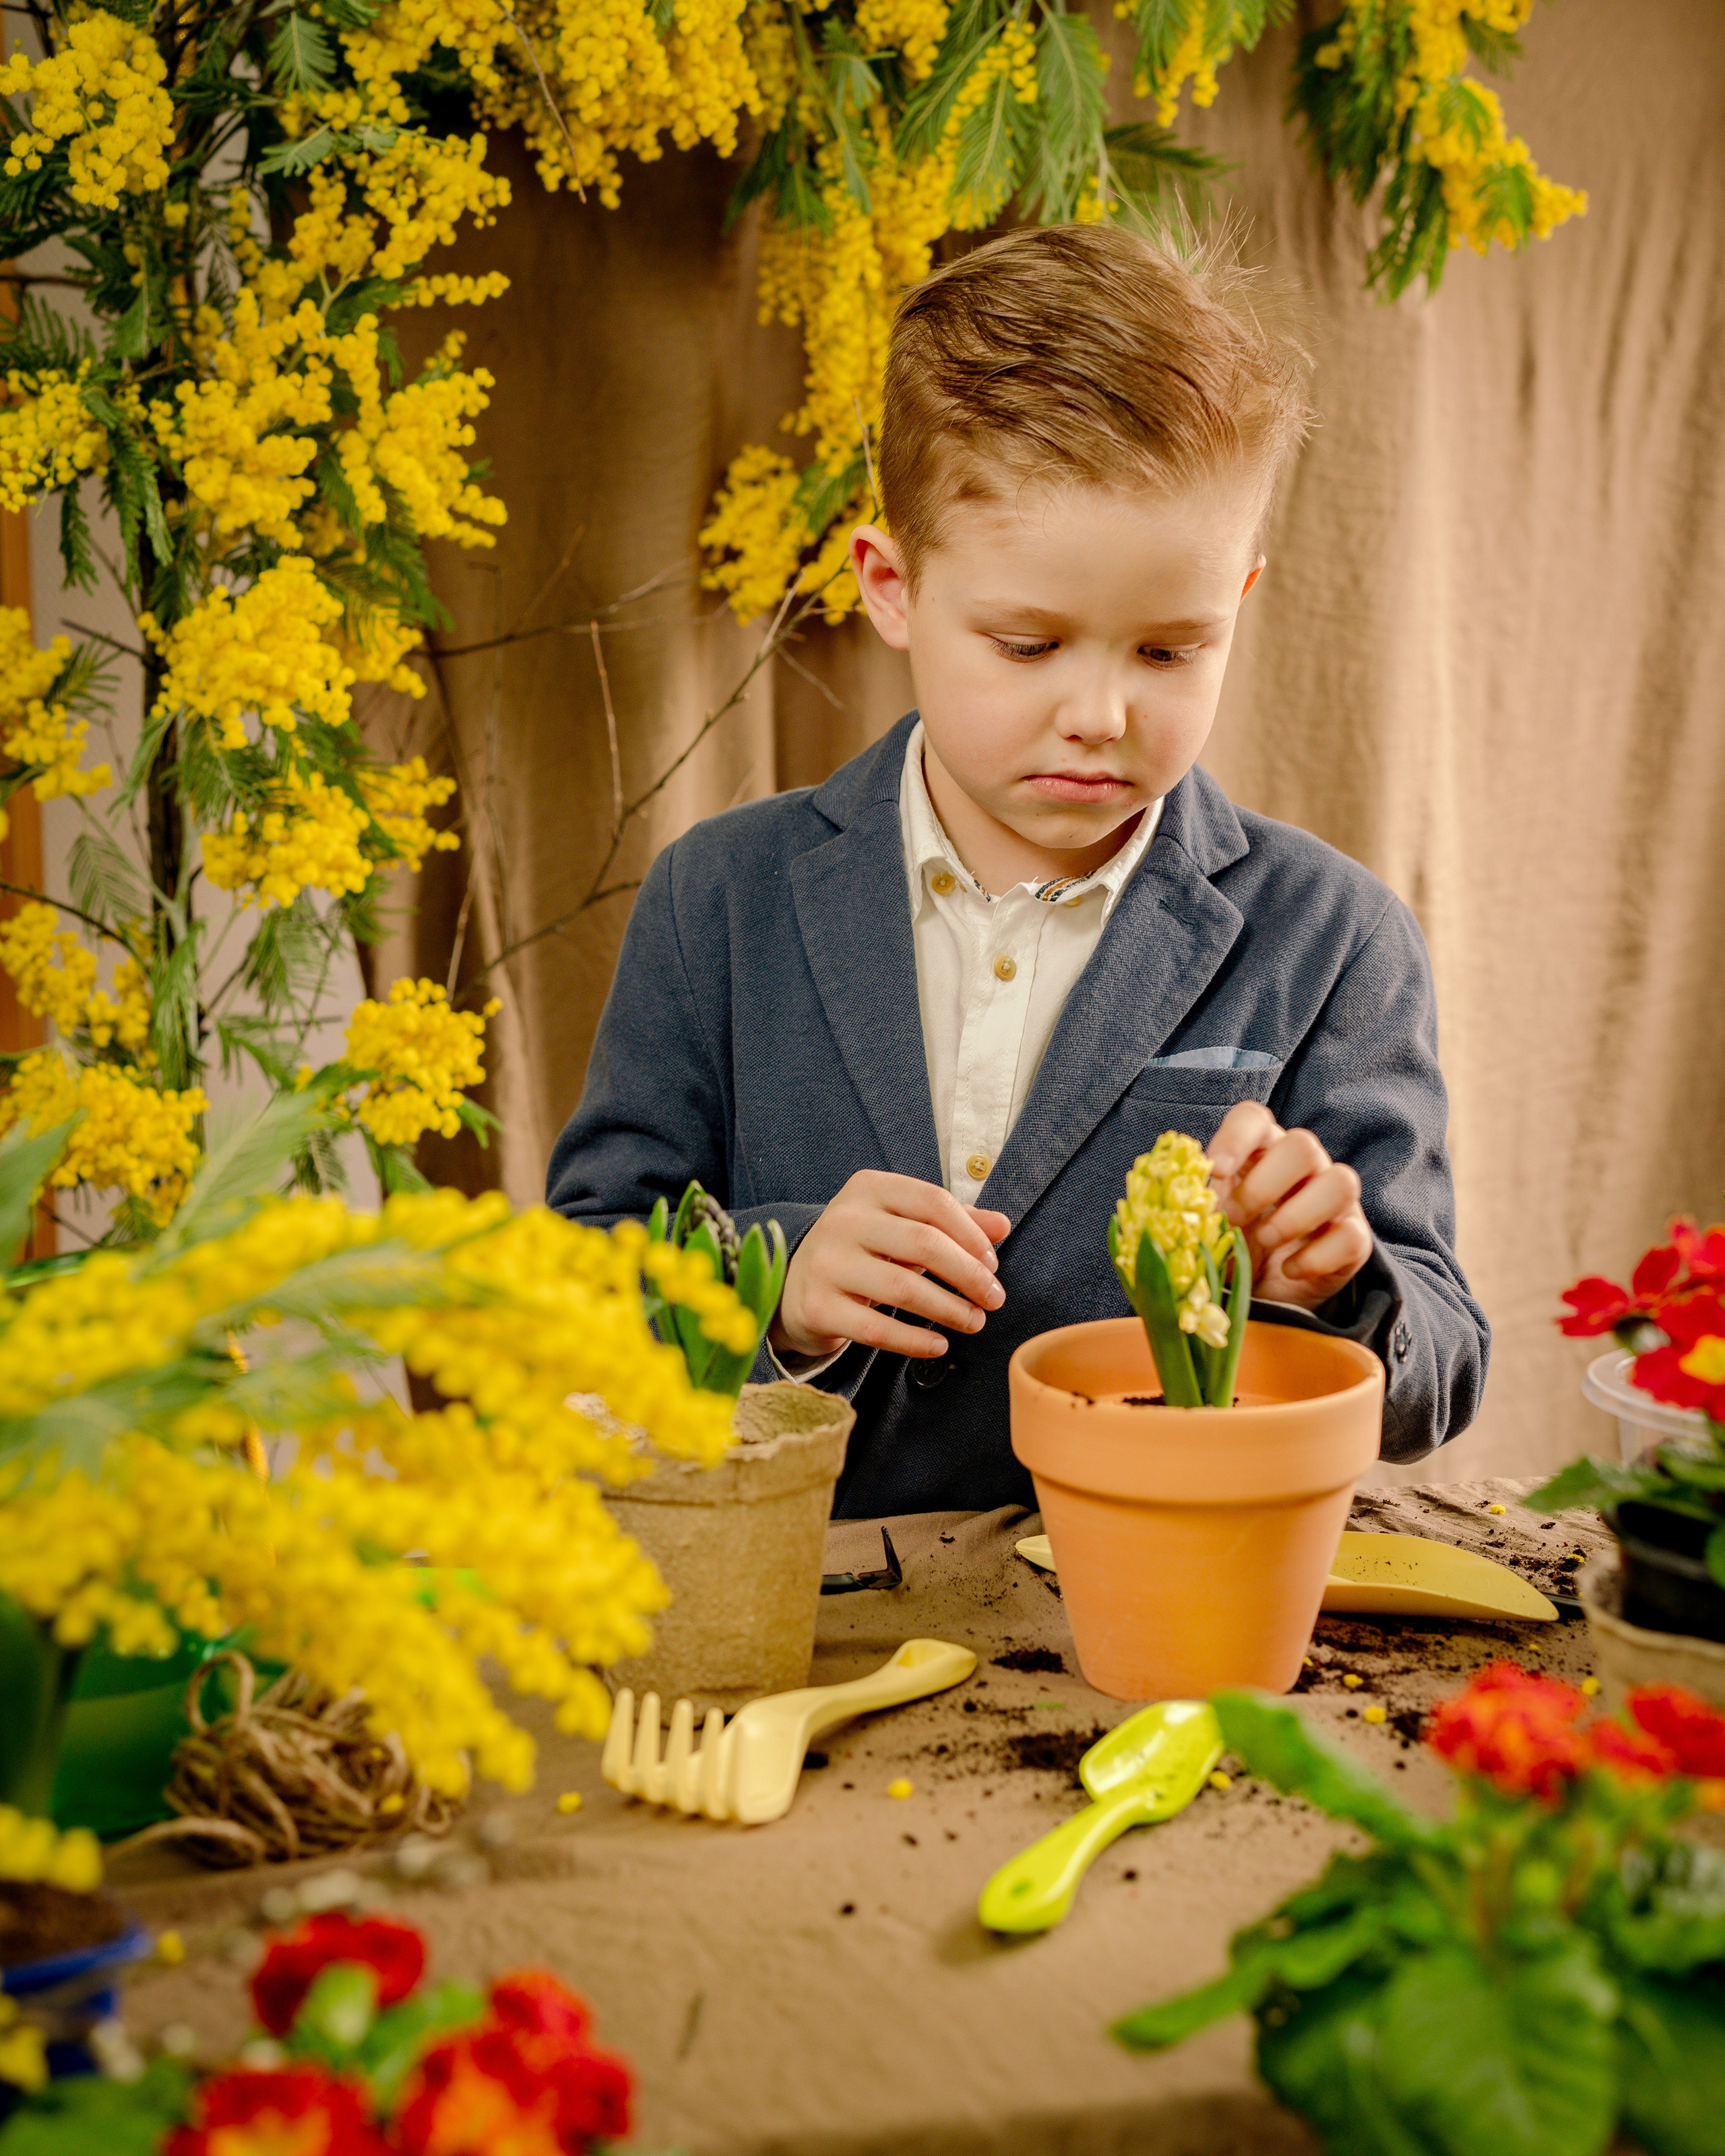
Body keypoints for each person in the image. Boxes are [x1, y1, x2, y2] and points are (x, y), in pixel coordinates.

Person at [548, 224, 1488, 1515]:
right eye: (1029, 643)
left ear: (1241, 600)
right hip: (785, 1630)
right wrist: (776, 1281)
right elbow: (569, 1296)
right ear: (891, 586)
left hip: (1161, 1627)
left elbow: (1442, 1369)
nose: (1100, 711)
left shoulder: (1335, 938)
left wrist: (1337, 1282)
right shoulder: (718, 900)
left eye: (1169, 652)